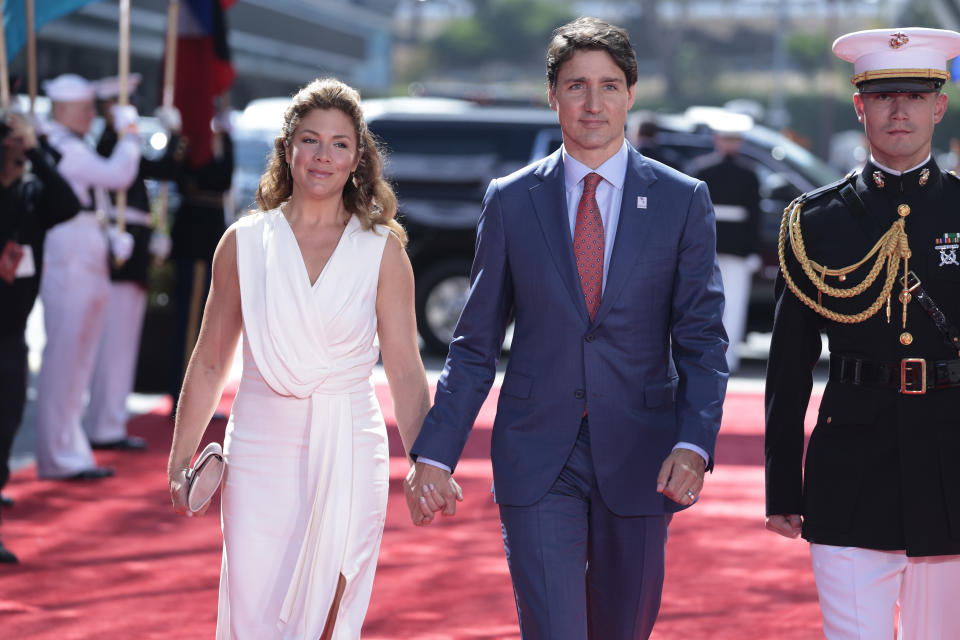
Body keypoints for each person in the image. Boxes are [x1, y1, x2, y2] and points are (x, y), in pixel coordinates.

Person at [407, 17, 728, 639]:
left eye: (609, 85)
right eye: (576, 85)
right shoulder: (510, 199)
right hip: (536, 451)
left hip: (644, 452)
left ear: (632, 94)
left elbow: (702, 340)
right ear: (551, 95)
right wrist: (436, 452)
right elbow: (473, 344)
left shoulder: (681, 200)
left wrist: (695, 443)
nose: (593, 102)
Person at [166, 77, 448, 639]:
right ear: (288, 148)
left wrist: (427, 461)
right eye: (311, 140)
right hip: (260, 451)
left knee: (330, 615)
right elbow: (208, 362)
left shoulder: (382, 250)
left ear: (358, 158)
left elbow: (406, 371)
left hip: (348, 444)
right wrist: (179, 461)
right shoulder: (244, 242)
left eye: (340, 143)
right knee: (256, 612)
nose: (323, 155)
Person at [765, 27, 960, 639]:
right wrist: (781, 486)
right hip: (851, 470)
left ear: (940, 104)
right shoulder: (813, 222)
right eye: (882, 96)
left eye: (914, 94)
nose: (898, 110)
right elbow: (789, 366)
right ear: (859, 105)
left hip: (952, 468)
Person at [34, 74, 139, 480]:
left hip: (85, 253)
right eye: (84, 109)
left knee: (79, 362)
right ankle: (56, 455)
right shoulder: (62, 147)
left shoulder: (71, 144)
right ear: (63, 111)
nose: (91, 115)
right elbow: (117, 175)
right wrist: (130, 133)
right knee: (65, 359)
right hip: (68, 260)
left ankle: (70, 450)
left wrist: (110, 237)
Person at [83, 75, 183, 451]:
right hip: (119, 250)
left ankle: (110, 420)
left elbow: (162, 171)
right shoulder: (110, 143)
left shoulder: (122, 143)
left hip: (135, 246)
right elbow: (121, 173)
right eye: (120, 104)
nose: (129, 111)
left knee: (123, 342)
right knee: (113, 342)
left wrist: (173, 137)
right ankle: (104, 424)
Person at [0, 112, 82, 563]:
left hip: (11, 336)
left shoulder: (32, 195)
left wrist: (34, 148)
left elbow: (68, 202)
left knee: (6, 425)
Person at [167, 108, 233, 414]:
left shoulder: (211, 144)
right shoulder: (192, 146)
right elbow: (215, 177)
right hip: (196, 240)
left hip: (206, 241)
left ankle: (196, 395)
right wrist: (177, 138)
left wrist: (226, 139)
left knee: (207, 324)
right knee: (192, 323)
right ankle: (185, 396)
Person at [689, 117, 762, 372]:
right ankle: (717, 357)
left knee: (729, 304)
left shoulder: (702, 169)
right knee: (717, 305)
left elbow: (754, 215)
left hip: (725, 248)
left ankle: (723, 358)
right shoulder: (746, 173)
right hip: (721, 248)